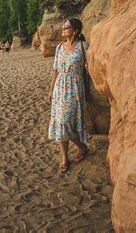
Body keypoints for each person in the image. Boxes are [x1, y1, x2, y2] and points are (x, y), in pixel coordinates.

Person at [48, 18, 89, 173]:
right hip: (60, 87)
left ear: (75, 31)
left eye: (66, 27)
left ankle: (81, 147)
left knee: (67, 122)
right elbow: (55, 70)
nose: (63, 29)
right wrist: (51, 90)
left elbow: (90, 68)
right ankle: (65, 157)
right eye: (63, 27)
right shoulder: (59, 48)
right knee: (61, 122)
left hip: (76, 88)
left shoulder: (83, 46)